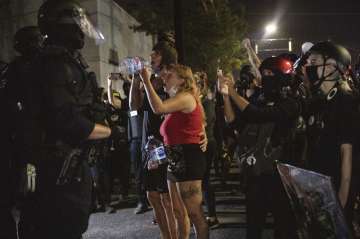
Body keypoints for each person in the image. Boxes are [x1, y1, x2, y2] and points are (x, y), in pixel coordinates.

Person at [19, 1, 121, 238]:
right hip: (59, 168)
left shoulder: (53, 62)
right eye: (76, 25)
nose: (80, 31)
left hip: (48, 167)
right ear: (63, 27)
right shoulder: (55, 65)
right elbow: (69, 122)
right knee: (63, 226)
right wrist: (110, 132)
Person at [219, 56, 301, 239]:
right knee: (253, 228)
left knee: (285, 229)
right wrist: (226, 96)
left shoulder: (291, 103)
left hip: (280, 177)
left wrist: (233, 93)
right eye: (263, 73)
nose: (265, 76)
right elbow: (236, 122)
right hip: (257, 175)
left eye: (270, 73)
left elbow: (257, 114)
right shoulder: (260, 98)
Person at [141, 64, 209, 239]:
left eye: (169, 75)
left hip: (188, 158)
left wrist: (146, 81)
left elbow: (158, 108)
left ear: (182, 80)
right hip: (174, 159)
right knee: (178, 211)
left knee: (195, 214)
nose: (164, 78)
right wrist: (158, 157)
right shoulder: (178, 101)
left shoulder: (186, 97)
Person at [300, 41, 357, 231]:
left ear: (332, 67)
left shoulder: (346, 101)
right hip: (318, 195)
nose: (308, 67)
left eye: (314, 61)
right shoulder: (318, 102)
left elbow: (347, 158)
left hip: (335, 197)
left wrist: (338, 209)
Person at [129, 37, 178, 238]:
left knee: (168, 197)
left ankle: (175, 235)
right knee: (152, 195)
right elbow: (133, 106)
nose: (151, 57)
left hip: (167, 142)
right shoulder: (147, 80)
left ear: (164, 57)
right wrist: (135, 78)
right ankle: (166, 235)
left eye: (155, 54)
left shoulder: (172, 78)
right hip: (149, 144)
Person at [0, 25, 44, 239]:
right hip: (28, 151)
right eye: (35, 40)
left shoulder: (43, 67)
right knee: (31, 199)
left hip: (38, 148)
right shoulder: (16, 71)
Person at [195, 71, 220, 229]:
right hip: (199, 144)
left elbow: (206, 121)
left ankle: (212, 216)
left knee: (204, 180)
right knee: (199, 181)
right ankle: (201, 214)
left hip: (207, 143)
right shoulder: (198, 100)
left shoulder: (206, 101)